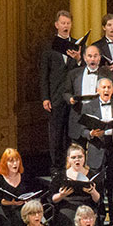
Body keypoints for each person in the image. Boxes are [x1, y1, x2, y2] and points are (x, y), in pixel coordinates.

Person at [39, 10, 81, 169]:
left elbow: (83, 70)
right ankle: (56, 168)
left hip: (73, 97)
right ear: (57, 25)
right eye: (63, 23)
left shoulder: (77, 45)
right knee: (56, 135)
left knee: (72, 134)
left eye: (68, 23)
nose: (66, 26)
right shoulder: (49, 46)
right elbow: (43, 74)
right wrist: (45, 97)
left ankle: (72, 167)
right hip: (56, 97)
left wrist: (78, 59)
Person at [50, 144, 103, 226]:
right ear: (68, 159)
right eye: (73, 157)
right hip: (67, 206)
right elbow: (52, 198)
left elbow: (98, 200)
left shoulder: (92, 175)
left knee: (87, 215)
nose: (77, 160)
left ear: (84, 158)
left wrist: (93, 192)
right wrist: (61, 195)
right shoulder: (60, 176)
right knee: (66, 215)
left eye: (80, 157)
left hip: (87, 207)